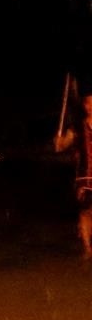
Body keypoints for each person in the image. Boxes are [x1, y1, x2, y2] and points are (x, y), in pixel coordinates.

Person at [55, 90, 92, 260]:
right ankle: (87, 247)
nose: (91, 106)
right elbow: (62, 147)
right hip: (84, 175)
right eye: (89, 102)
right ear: (85, 106)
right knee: (85, 212)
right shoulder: (77, 127)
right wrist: (59, 143)